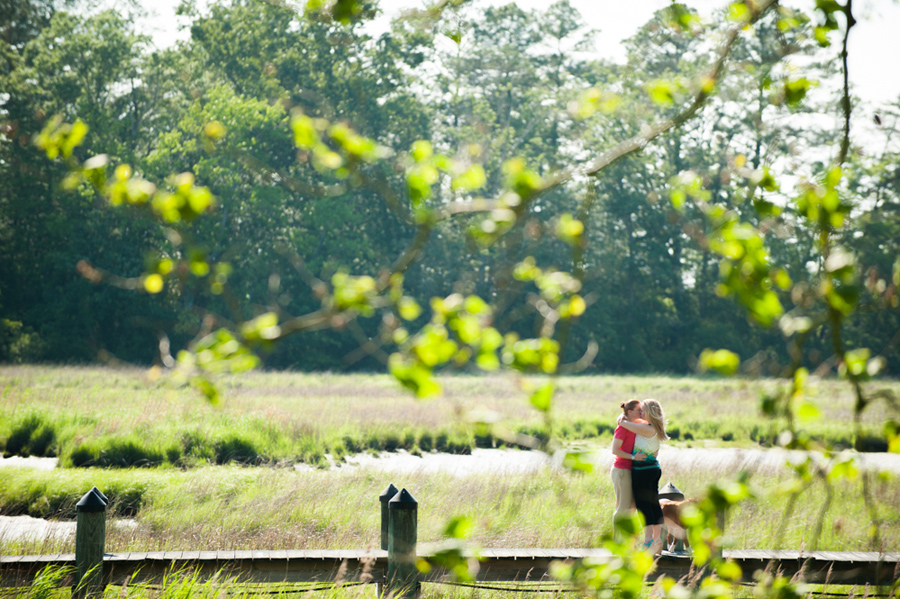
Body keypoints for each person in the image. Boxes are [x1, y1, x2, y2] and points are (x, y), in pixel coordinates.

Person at [617, 399, 669, 553]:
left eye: (643, 411)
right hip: (653, 469)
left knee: (643, 505)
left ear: (650, 413)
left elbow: (623, 424)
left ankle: (647, 540)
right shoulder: (655, 428)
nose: (641, 413)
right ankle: (657, 538)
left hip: (642, 471)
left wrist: (620, 418)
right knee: (654, 504)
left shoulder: (647, 429)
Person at [610, 399, 646, 537]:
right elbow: (615, 450)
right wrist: (633, 457)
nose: (641, 413)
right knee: (622, 508)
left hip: (630, 471)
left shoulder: (634, 425)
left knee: (631, 508)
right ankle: (617, 541)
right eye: (639, 410)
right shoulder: (622, 428)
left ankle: (627, 542)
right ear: (630, 412)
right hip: (622, 470)